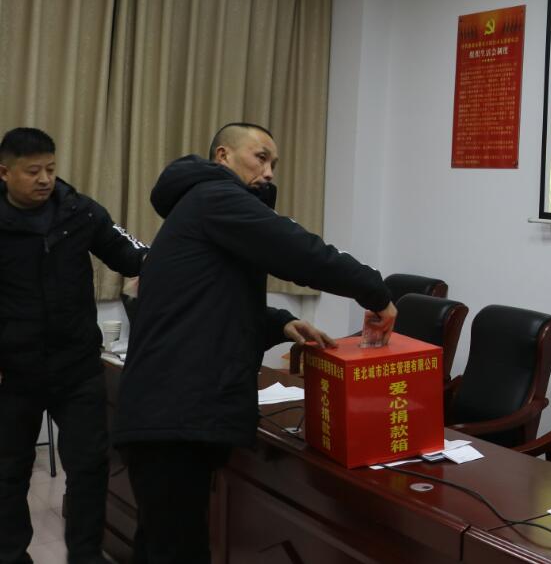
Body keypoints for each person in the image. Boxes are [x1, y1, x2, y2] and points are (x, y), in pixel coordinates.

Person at [113, 122, 395, 564]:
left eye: (274, 164)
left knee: (161, 546)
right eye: (260, 157)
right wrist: (375, 291)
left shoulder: (199, 206)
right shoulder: (215, 197)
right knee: (178, 550)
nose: (269, 172)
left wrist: (282, 323)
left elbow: (210, 304)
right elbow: (300, 251)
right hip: (176, 416)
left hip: (166, 411)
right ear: (222, 156)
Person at [0, 127, 148, 564]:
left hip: (77, 367)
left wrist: (163, 263)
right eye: (33, 171)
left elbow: (131, 253)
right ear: (5, 172)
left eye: (50, 168)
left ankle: (85, 555)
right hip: (14, 373)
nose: (45, 179)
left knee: (89, 467)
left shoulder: (80, 211)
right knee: (8, 473)